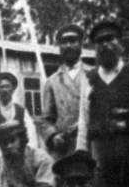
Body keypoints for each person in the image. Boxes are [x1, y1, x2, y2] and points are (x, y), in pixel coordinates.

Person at [76, 20, 129, 187]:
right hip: (100, 156)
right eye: (100, 41)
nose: (105, 45)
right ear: (95, 48)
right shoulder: (89, 79)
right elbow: (83, 121)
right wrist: (82, 157)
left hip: (128, 153)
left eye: (110, 39)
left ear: (119, 43)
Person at [38, 24, 91, 158]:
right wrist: (53, 136)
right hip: (65, 149)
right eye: (64, 42)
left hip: (91, 144)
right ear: (59, 47)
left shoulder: (94, 75)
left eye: (73, 41)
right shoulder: (52, 81)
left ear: (80, 44)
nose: (68, 45)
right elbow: (46, 119)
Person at [0, 71, 38, 148]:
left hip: (20, 153)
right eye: (2, 87)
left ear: (13, 89)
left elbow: (32, 136)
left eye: (8, 86)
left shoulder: (22, 111)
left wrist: (29, 150)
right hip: (0, 155)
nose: (5, 90)